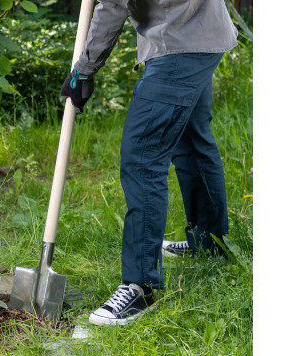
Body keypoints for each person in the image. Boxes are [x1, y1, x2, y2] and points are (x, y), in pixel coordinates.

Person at [60, 0, 238, 326]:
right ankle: (209, 242)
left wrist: (84, 69)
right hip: (203, 31)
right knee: (192, 142)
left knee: (143, 156)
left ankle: (140, 286)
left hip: (179, 43)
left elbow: (115, 3)